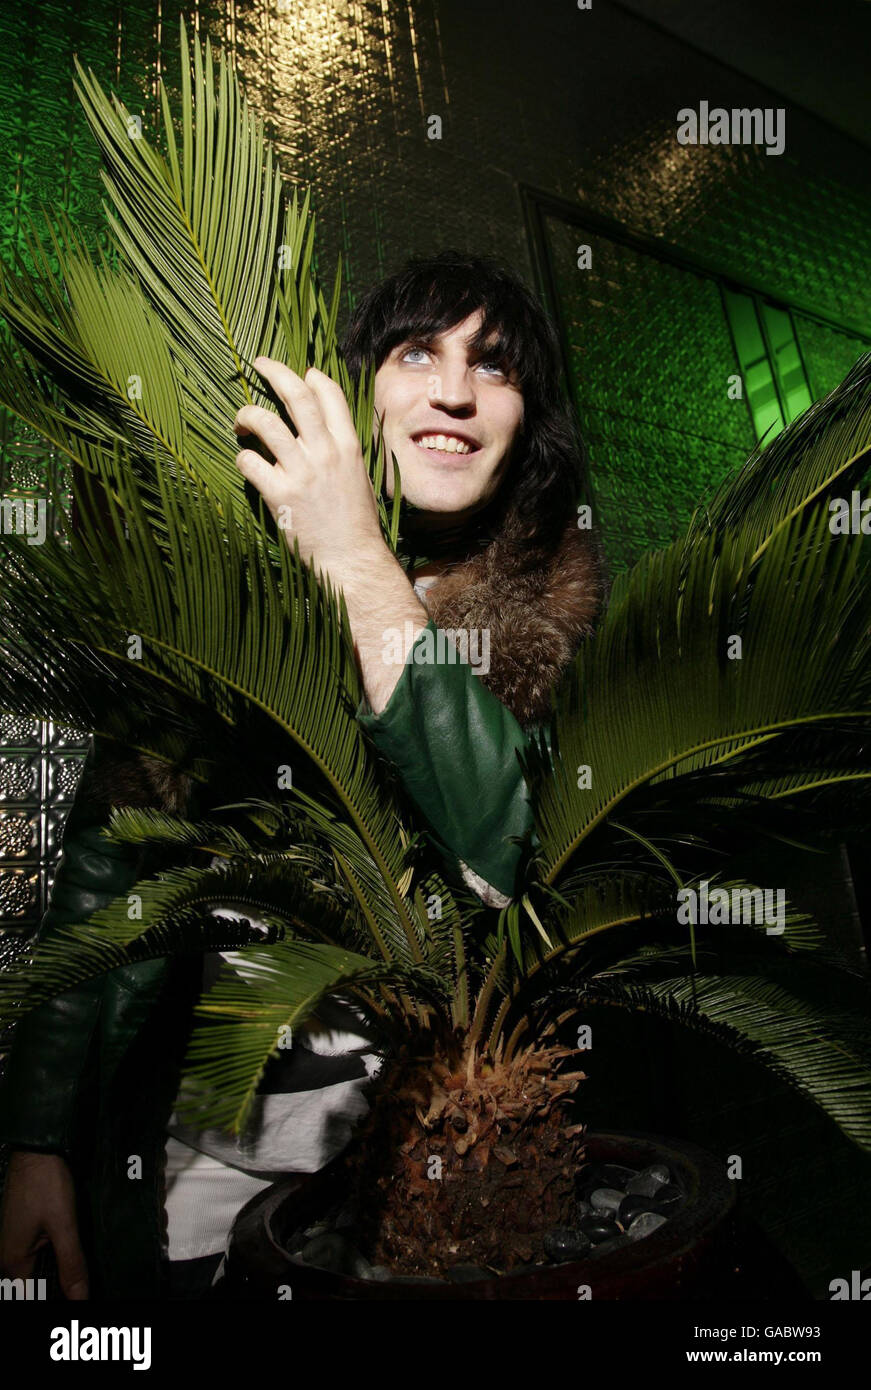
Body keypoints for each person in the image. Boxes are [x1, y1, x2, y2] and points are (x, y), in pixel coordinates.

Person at [0, 250, 605, 1300]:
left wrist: (356, 562)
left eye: (496, 368)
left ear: (524, 429)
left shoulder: (541, 632)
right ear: (352, 382)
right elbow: (102, 876)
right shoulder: (220, 594)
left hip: (409, 1193)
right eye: (420, 351)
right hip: (176, 1180)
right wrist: (39, 1137)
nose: (454, 391)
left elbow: (507, 845)